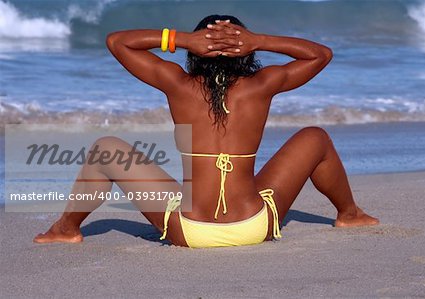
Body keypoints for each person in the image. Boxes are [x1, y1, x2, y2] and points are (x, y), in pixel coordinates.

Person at [34, 15, 379, 248]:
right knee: (315, 137)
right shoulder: (262, 85)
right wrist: (258, 40)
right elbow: (321, 55)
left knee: (107, 149)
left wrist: (182, 39)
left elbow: (117, 42)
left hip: (188, 232)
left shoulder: (178, 84)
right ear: (244, 54)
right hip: (254, 226)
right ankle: (350, 214)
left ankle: (66, 229)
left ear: (196, 53)